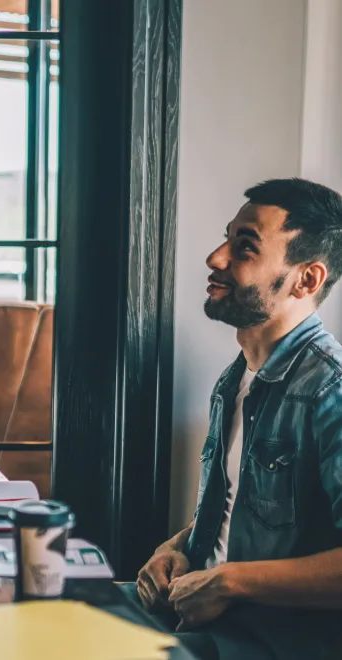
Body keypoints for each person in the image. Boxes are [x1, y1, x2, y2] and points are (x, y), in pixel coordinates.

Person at [128, 178, 342, 660]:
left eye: (245, 246)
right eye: (227, 237)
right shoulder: (236, 380)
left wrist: (229, 583)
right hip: (196, 620)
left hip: (271, 643)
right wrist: (176, 547)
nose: (216, 257)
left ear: (306, 279)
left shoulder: (332, 390)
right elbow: (242, 510)